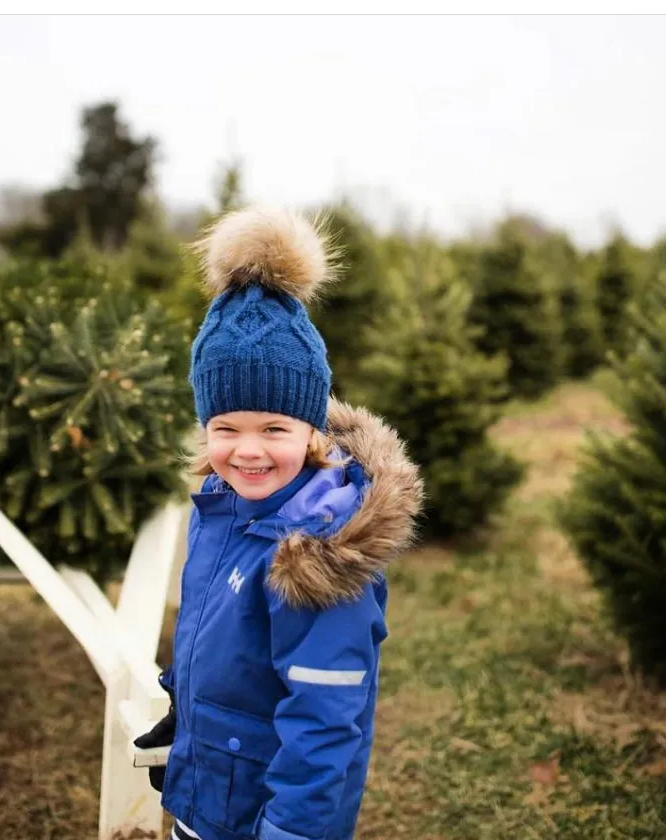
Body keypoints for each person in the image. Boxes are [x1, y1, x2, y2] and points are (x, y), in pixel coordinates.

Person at [135, 207, 423, 840]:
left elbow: (325, 727)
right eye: (225, 429)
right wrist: (187, 710)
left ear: (313, 429)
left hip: (269, 820)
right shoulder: (221, 506)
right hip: (205, 796)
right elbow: (214, 636)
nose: (248, 450)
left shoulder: (318, 555)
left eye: (274, 428)